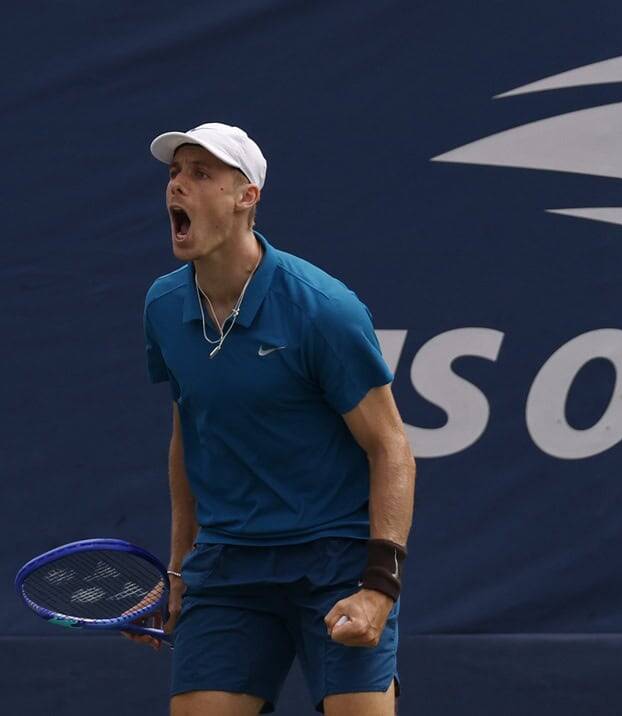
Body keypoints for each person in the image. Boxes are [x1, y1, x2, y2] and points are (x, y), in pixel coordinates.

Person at [131, 122, 415, 716]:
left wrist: (379, 587)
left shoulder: (323, 310)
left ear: (247, 197)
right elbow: (189, 433)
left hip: (333, 561)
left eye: (200, 174)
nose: (177, 185)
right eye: (174, 173)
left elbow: (390, 447)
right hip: (228, 567)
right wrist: (178, 569)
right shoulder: (163, 305)